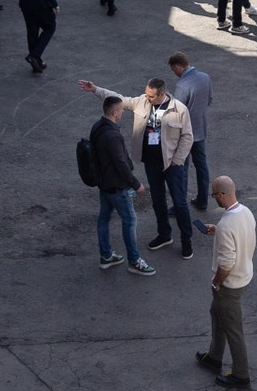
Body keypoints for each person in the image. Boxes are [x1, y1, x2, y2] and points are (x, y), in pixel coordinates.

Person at [83, 76, 195, 259]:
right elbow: (119, 99)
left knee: (180, 202)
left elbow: (187, 137)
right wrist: (96, 89)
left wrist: (177, 160)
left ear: (162, 94)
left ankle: (186, 240)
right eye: (146, 94)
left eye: (151, 96)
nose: (146, 98)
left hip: (172, 164)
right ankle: (164, 234)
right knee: (158, 200)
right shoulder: (142, 102)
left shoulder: (179, 110)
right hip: (152, 162)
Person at [196, 175, 257, 388]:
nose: (214, 198)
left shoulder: (226, 224)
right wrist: (218, 231)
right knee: (217, 313)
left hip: (229, 285)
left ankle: (241, 374)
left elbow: (226, 262)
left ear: (222, 194)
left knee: (233, 329)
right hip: (244, 276)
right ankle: (214, 356)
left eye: (214, 194)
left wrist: (216, 282)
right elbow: (238, 237)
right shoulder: (246, 212)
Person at [88, 93, 156, 275]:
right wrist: (135, 184)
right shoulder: (113, 135)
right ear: (116, 112)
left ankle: (106, 256)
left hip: (104, 183)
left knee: (104, 218)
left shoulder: (97, 127)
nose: (123, 113)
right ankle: (134, 261)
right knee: (130, 221)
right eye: (122, 110)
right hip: (117, 186)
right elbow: (120, 163)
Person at [168, 52, 214, 185]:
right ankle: (202, 199)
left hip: (185, 134)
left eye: (173, 70)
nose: (174, 73)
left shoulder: (182, 85)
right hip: (200, 129)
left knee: (182, 167)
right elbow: (209, 100)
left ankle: (181, 202)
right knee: (201, 165)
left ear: (177, 67)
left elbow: (177, 113)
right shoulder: (205, 77)